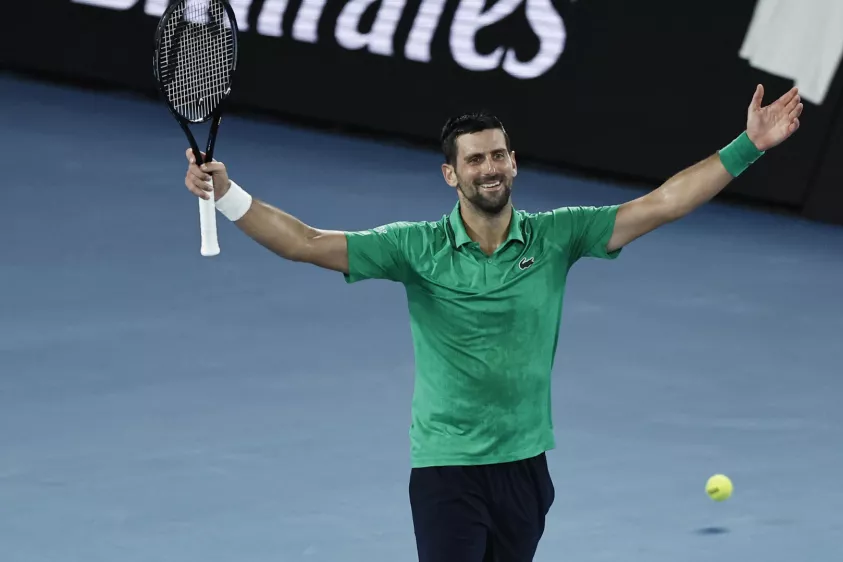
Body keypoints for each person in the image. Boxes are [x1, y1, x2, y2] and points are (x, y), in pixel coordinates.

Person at [183, 84, 803, 562]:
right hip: (447, 468)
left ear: (514, 163)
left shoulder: (558, 235)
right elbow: (307, 243)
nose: (491, 168)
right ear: (451, 174)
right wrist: (231, 195)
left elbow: (662, 203)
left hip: (525, 467)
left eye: (500, 155)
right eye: (476, 159)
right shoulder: (415, 247)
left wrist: (748, 146)